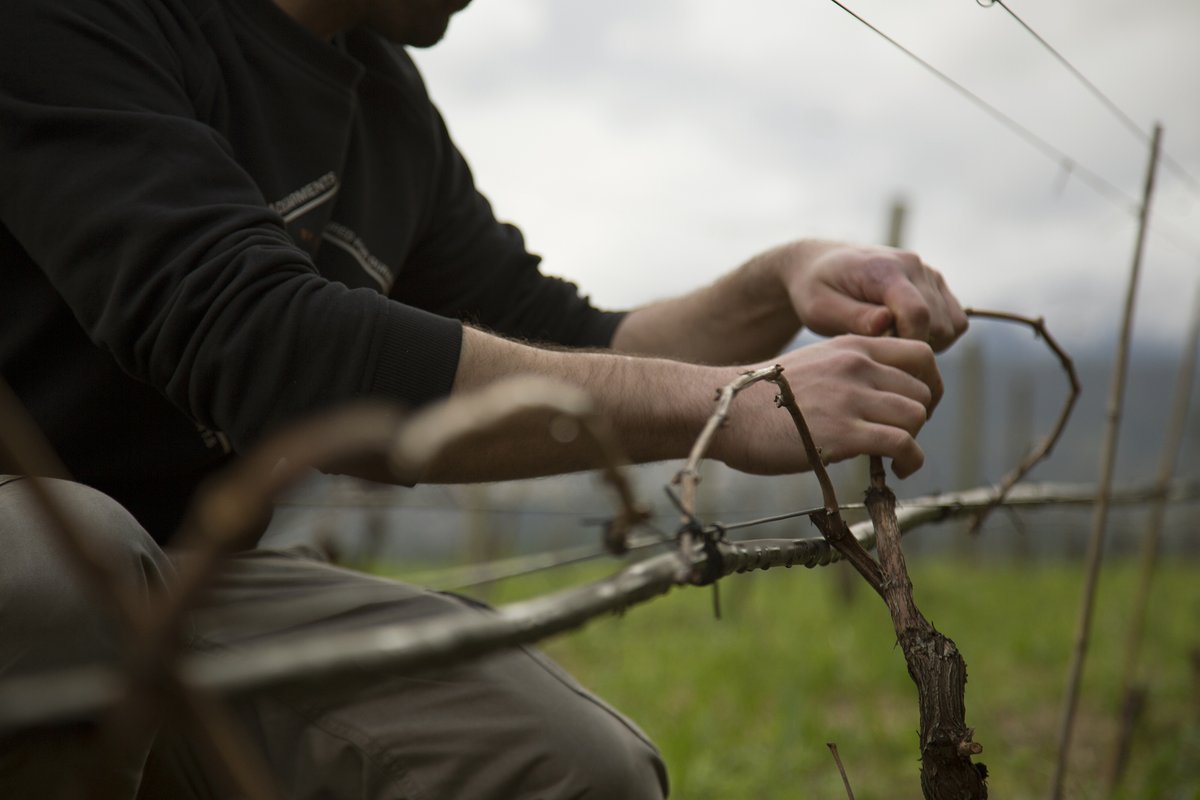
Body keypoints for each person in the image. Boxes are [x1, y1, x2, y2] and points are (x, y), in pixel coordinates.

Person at [0, 0, 968, 797]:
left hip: (187, 572)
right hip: (42, 552)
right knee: (61, 559)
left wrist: (779, 283)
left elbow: (562, 339)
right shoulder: (67, 20)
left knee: (572, 768)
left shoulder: (384, 99)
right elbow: (258, 339)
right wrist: (726, 405)